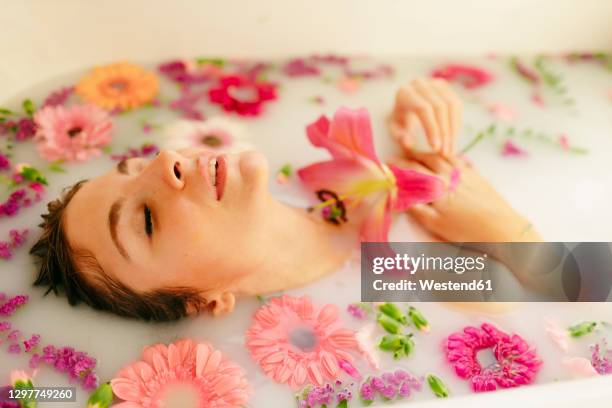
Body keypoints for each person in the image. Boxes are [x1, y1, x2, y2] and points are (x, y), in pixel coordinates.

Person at [30, 78, 541, 321]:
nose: (167, 160)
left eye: (134, 167)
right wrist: (502, 223)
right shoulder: (390, 272)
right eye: (145, 219)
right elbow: (570, 287)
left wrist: (406, 121)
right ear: (205, 300)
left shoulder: (319, 168)